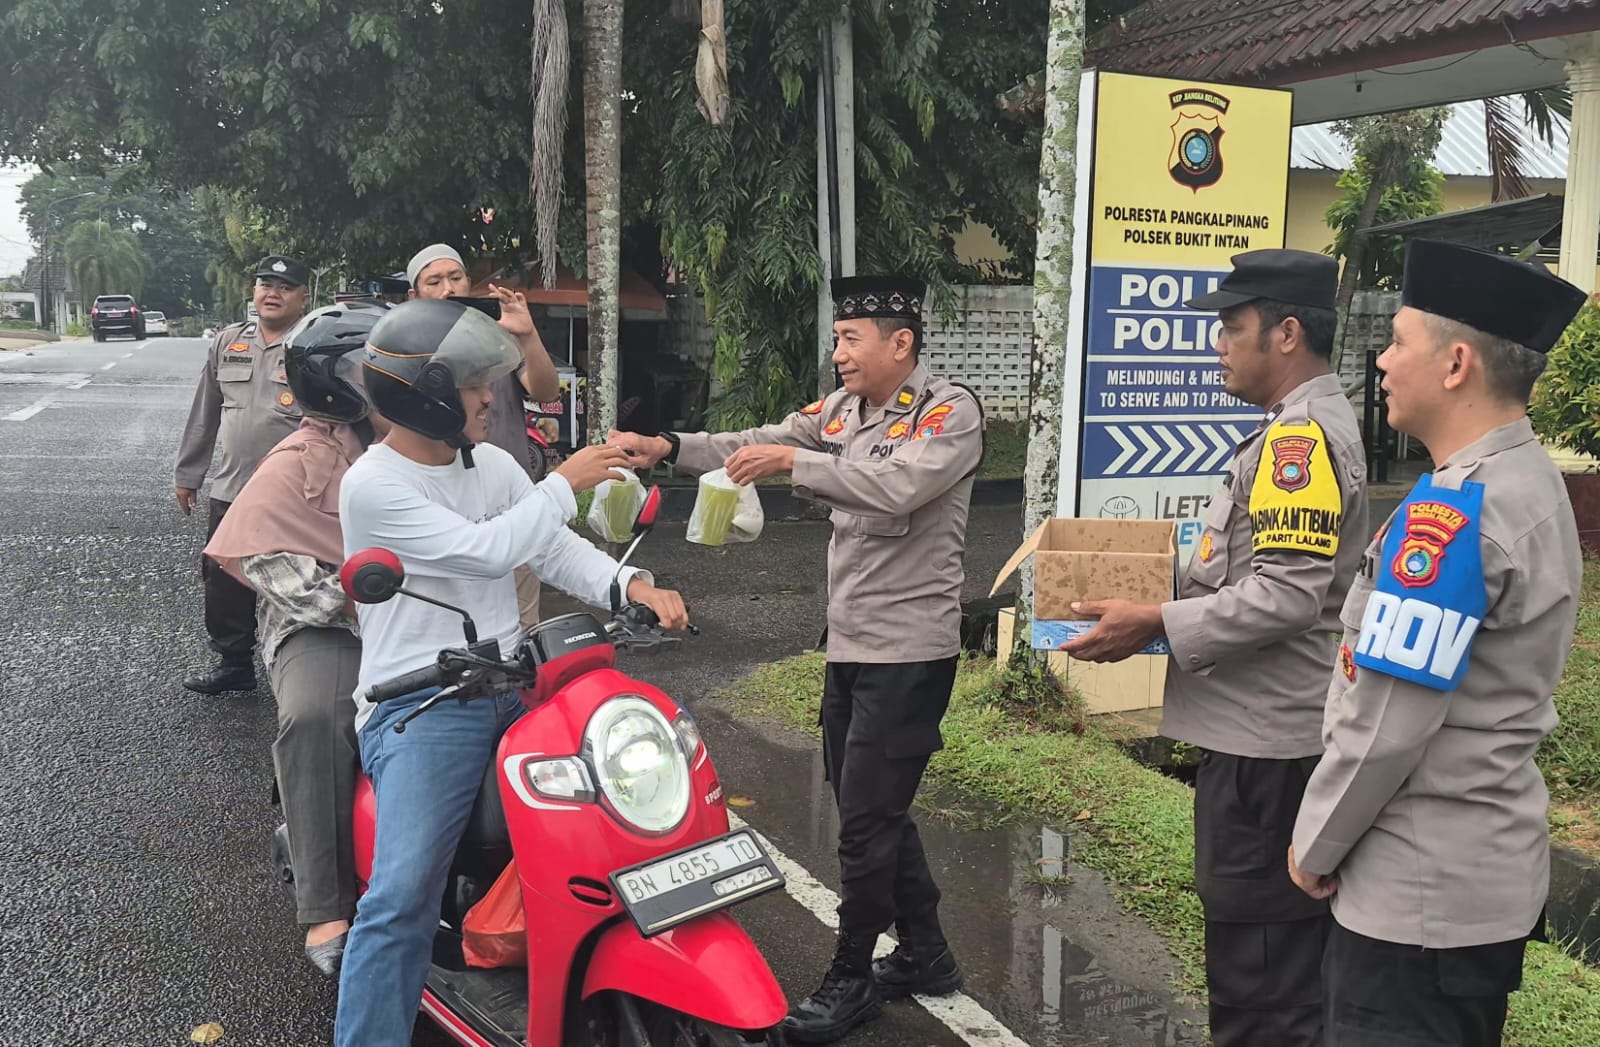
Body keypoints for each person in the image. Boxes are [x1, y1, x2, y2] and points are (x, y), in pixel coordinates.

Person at [611, 275, 981, 1044]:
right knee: (865, 804)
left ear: (900, 342)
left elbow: (896, 488)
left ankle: (850, 979)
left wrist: (793, 464)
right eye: (837, 336)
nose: (837, 352)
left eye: (851, 338)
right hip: (850, 642)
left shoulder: (948, 411)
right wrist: (669, 447)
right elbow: (762, 439)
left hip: (910, 652)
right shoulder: (843, 411)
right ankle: (927, 954)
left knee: (866, 821)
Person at [332, 297, 687, 1047]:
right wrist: (570, 476)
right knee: (399, 900)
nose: (488, 395)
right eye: (471, 384)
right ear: (424, 395)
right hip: (424, 705)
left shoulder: (490, 463)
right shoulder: (373, 484)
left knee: (623, 815)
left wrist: (631, 586)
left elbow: (549, 548)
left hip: (519, 684)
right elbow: (483, 550)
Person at [1063, 249, 1368, 1047]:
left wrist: (1154, 621)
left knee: (1262, 986)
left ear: (1288, 332)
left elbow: (1288, 594)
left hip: (1269, 753)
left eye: (1233, 328)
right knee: (1265, 971)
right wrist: (1137, 579)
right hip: (1260, 739)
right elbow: (1234, 565)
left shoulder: (1299, 443)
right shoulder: (1287, 432)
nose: (1219, 345)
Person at [1289, 239, 1587, 1047]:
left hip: (1414, 902)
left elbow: (1387, 723)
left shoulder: (1456, 517)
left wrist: (1314, 842)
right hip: (1472, 887)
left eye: (1398, 341)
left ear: (1457, 364)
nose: (1381, 361)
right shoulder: (1524, 483)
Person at [203, 301, 391, 975]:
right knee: (319, 716)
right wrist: (383, 603)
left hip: (429, 621)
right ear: (336, 382)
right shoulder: (294, 464)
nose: (393, 378)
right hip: (327, 628)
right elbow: (300, 588)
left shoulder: (432, 440)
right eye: (374, 367)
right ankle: (326, 903)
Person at [174, 255, 312, 694]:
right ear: (253, 292)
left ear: (304, 297)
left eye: (284, 286)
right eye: (264, 284)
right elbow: (204, 413)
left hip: (296, 493)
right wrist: (188, 473)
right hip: (233, 487)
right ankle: (234, 664)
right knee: (224, 577)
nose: (272, 293)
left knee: (298, 581)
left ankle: (302, 674)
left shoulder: (314, 344)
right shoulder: (228, 342)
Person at [405, 243, 560, 631]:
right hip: (438, 505)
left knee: (523, 625)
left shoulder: (496, 334)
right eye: (434, 281)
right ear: (414, 294)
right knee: (451, 622)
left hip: (507, 497)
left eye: (455, 278)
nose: (447, 289)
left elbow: (545, 391)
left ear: (469, 283)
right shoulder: (402, 348)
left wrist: (528, 335)